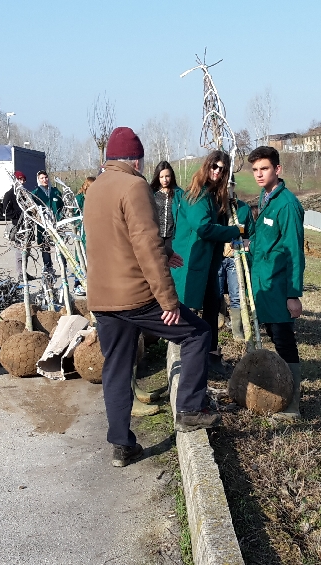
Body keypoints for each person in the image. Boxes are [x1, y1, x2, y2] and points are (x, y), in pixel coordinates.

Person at [83, 126, 221, 468]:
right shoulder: (135, 186)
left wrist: (164, 251)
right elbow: (143, 243)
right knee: (198, 332)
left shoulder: (94, 189)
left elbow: (121, 238)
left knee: (116, 368)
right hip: (136, 296)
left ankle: (121, 446)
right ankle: (190, 408)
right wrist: (168, 300)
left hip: (102, 298)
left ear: (108, 159)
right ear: (136, 158)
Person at [245, 146, 305, 422]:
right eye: (255, 170)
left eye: (264, 169)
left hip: (280, 285)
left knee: (284, 340)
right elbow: (264, 240)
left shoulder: (288, 204)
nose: (259, 174)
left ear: (277, 170)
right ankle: (280, 391)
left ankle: (292, 402)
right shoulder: (265, 197)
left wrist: (293, 294)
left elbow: (294, 251)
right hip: (264, 282)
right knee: (274, 334)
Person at [170, 151, 242, 373]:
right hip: (191, 260)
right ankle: (186, 356)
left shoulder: (213, 195)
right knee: (187, 308)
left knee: (212, 305)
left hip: (208, 261)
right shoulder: (197, 195)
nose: (217, 172)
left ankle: (209, 354)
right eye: (214, 166)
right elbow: (203, 228)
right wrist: (234, 231)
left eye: (222, 169)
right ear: (206, 166)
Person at [217, 180, 253, 341]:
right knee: (216, 291)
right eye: (224, 184)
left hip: (235, 258)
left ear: (234, 185)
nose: (227, 188)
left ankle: (237, 329)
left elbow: (250, 233)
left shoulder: (243, 208)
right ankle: (218, 320)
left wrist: (242, 243)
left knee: (236, 293)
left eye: (230, 184)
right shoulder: (216, 205)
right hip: (218, 256)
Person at [31, 170, 65, 277]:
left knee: (60, 245)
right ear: (38, 180)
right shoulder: (35, 194)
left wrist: (60, 217)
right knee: (45, 246)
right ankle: (48, 268)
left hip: (56, 224)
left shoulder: (55, 192)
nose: (44, 180)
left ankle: (63, 267)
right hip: (43, 225)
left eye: (45, 177)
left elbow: (61, 206)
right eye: (42, 178)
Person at [149, 161, 183, 256]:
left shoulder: (179, 193)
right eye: (161, 177)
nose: (165, 180)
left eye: (167, 176)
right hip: (156, 236)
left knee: (172, 263)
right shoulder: (152, 193)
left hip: (172, 237)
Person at [2, 171, 26, 279]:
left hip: (26, 225)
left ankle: (24, 271)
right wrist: (18, 214)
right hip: (17, 225)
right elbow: (6, 212)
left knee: (26, 250)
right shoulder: (9, 194)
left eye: (23, 180)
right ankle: (20, 273)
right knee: (19, 251)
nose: (22, 182)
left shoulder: (24, 193)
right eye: (20, 179)